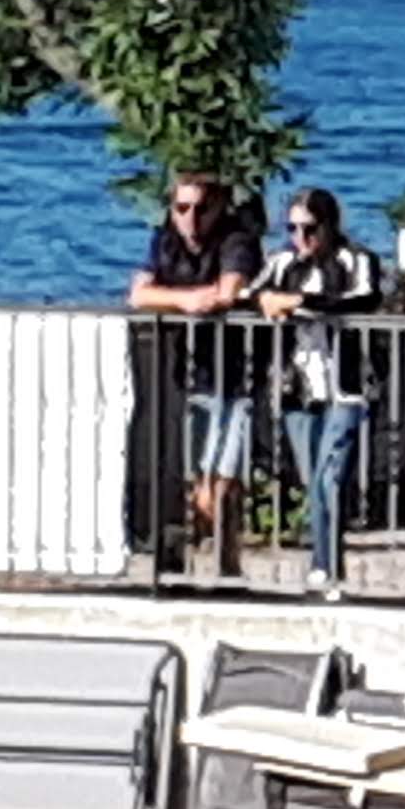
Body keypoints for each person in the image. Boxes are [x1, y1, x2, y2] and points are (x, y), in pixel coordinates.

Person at [257, 187, 391, 598]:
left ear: (329, 226)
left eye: (309, 229)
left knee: (329, 476)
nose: (301, 238)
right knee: (310, 476)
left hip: (345, 384)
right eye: (293, 228)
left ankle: (325, 567)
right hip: (299, 386)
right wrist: (268, 301)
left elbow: (362, 300)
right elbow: (253, 296)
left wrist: (298, 302)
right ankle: (323, 561)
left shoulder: (357, 261)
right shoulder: (281, 263)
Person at [129, 174, 261, 578]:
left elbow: (225, 293)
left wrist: (180, 300)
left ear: (220, 208)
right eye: (181, 208)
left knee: (222, 482)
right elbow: (138, 295)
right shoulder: (165, 239)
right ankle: (178, 563)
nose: (190, 218)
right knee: (186, 478)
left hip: (236, 374)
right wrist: (184, 301)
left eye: (201, 208)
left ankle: (228, 567)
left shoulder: (236, 241)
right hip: (182, 373)